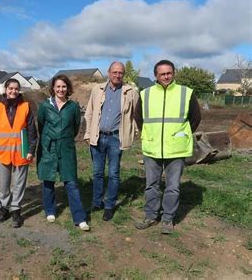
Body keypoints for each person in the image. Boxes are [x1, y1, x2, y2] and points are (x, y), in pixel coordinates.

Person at [134, 60, 201, 234]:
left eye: (169, 73)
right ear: (156, 75)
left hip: (176, 149)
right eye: (162, 73)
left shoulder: (185, 93)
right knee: (151, 185)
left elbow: (195, 118)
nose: (166, 76)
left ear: (173, 73)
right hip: (152, 147)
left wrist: (182, 133)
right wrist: (150, 134)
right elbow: (139, 118)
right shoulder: (145, 94)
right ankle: (150, 216)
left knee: (172, 186)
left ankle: (167, 219)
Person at [84, 61, 139, 221]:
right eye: (114, 72)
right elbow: (89, 113)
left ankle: (109, 205)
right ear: (108, 73)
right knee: (97, 172)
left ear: (123, 74)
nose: (117, 75)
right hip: (98, 136)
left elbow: (136, 115)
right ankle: (96, 202)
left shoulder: (130, 92)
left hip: (116, 137)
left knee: (114, 173)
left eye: (120, 72)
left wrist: (133, 133)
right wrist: (88, 134)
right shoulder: (97, 90)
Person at [37, 74, 90, 231]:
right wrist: (49, 138)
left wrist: (64, 138)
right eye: (58, 86)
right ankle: (50, 210)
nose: (61, 89)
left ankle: (80, 218)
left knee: (71, 182)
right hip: (48, 147)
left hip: (66, 148)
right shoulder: (44, 106)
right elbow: (41, 125)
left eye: (64, 86)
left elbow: (75, 127)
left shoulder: (73, 107)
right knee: (48, 181)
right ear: (53, 88)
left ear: (68, 88)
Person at [0, 79, 37, 228]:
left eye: (16, 89)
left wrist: (31, 150)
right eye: (11, 88)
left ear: (19, 90)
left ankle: (16, 210)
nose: (13, 91)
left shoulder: (26, 107)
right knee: (4, 184)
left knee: (19, 183)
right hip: (3, 152)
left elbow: (32, 132)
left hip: (22, 151)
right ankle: (4, 208)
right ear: (6, 89)